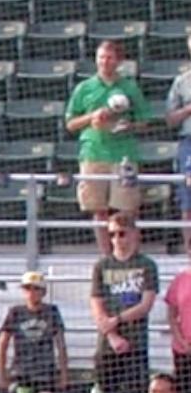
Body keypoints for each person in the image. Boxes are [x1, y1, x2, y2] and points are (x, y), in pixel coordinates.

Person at [68, 39, 151, 257]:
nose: (104, 62)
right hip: (93, 154)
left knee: (127, 211)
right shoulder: (84, 88)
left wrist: (129, 126)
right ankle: (107, 259)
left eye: (109, 57)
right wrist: (92, 117)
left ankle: (131, 258)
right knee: (99, 211)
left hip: (123, 155)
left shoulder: (129, 87)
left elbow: (145, 121)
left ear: (119, 61)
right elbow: (70, 123)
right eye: (101, 57)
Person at [90, 214, 160, 393]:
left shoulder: (147, 265)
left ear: (134, 234)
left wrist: (118, 319)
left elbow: (146, 304)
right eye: (112, 234)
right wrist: (112, 335)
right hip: (108, 345)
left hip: (136, 342)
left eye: (122, 234)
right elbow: (97, 305)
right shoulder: (102, 266)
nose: (116, 239)